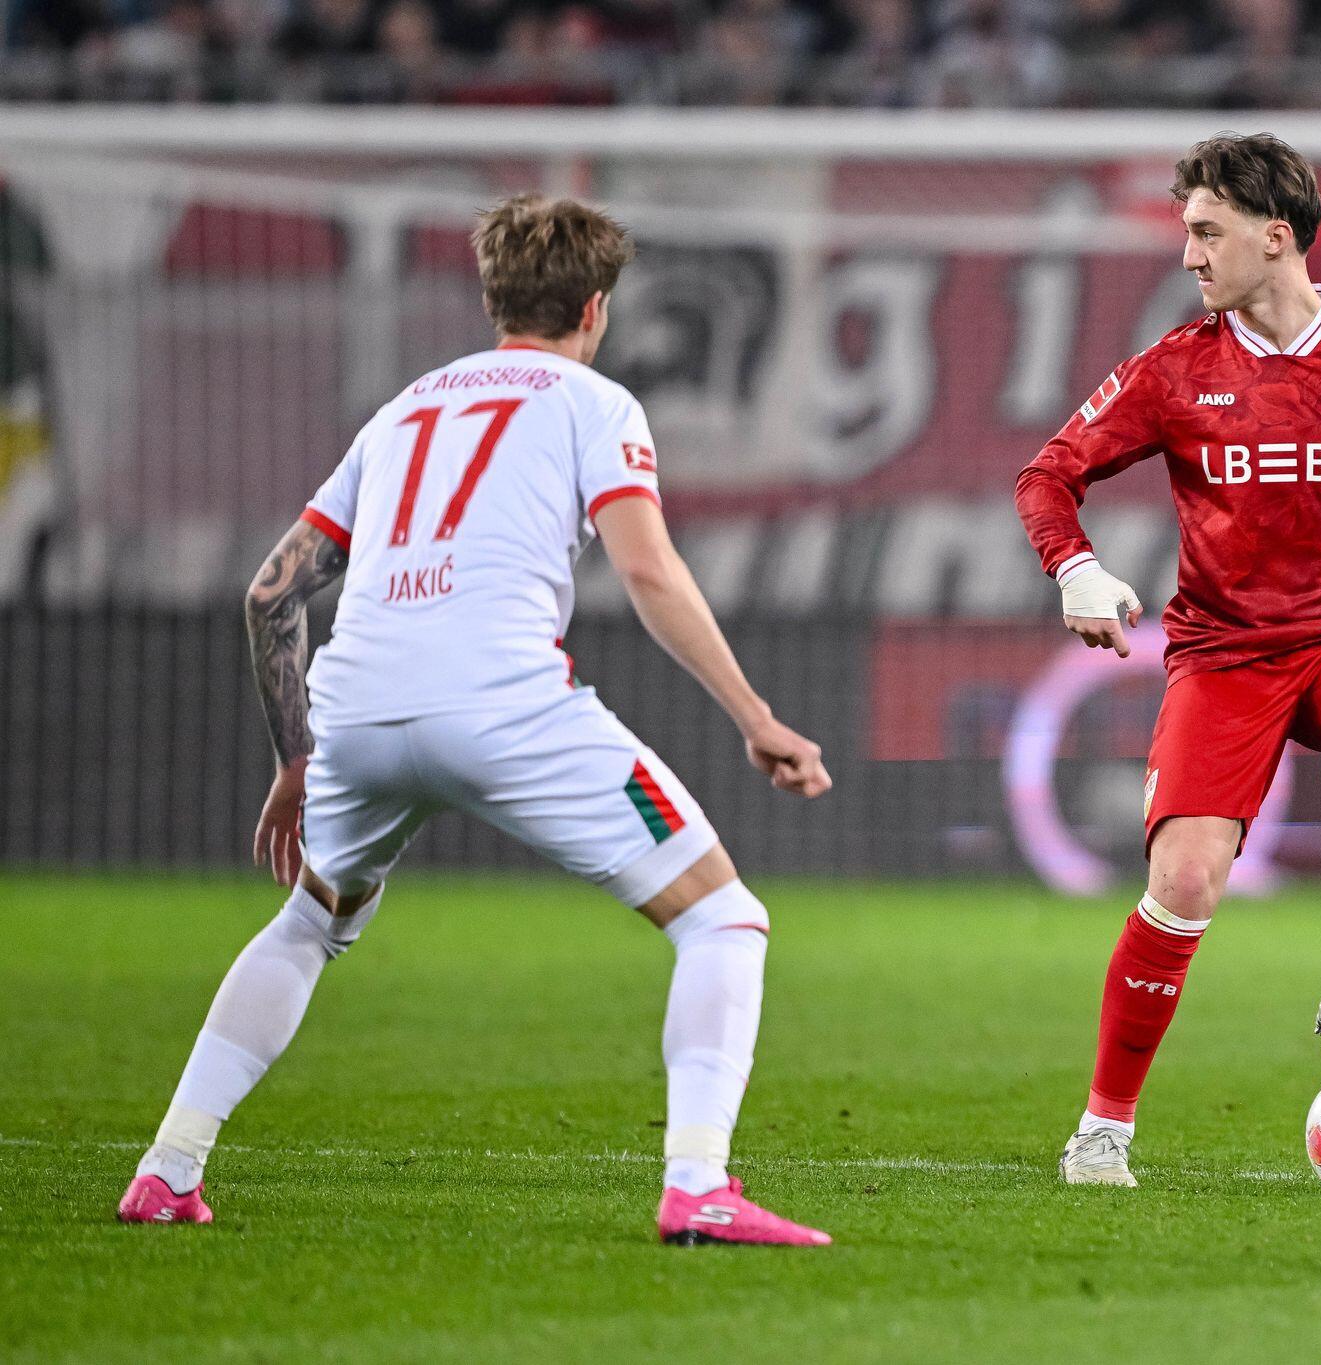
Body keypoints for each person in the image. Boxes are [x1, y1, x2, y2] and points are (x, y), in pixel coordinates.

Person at [116, 194, 835, 1247]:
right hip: (502, 706)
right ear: (594, 308)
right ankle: (697, 1187)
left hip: (355, 710)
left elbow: (271, 595)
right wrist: (755, 715)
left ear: (495, 298)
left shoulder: (402, 411)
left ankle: (168, 1170)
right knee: (722, 918)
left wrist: (298, 760)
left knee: (309, 923)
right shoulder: (596, 403)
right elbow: (647, 569)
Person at [1015, 133, 1321, 1187]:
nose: (1189, 252)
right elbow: (1047, 475)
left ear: (1275, 237)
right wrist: (1074, 567)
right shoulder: (1173, 370)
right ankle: (1102, 1132)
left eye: (1207, 231)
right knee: (1186, 881)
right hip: (1223, 656)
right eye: (1187, 231)